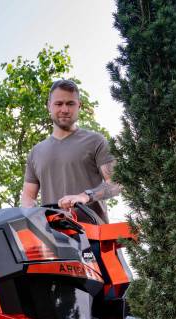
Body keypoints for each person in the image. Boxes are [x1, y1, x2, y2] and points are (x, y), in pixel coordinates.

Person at [20, 79, 122, 222]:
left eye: (70, 103)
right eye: (58, 104)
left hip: (94, 232)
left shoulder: (96, 141)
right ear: (49, 106)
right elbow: (28, 197)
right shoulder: (36, 152)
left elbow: (117, 183)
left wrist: (85, 196)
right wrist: (33, 219)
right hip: (52, 233)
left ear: (79, 105)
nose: (64, 110)